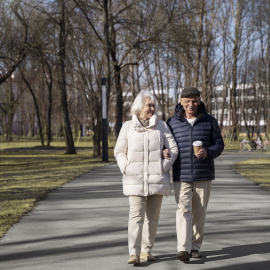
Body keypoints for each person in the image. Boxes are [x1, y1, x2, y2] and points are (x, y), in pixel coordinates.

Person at [114, 91, 179, 265]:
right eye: (149, 105)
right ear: (138, 107)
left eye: (153, 105)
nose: (152, 108)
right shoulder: (128, 127)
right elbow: (119, 151)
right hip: (134, 180)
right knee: (135, 217)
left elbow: (173, 149)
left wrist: (163, 165)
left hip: (156, 180)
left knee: (153, 218)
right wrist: (125, 167)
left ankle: (146, 251)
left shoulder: (162, 126)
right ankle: (133, 253)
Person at [166, 87, 224, 262]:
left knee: (199, 212)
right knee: (183, 210)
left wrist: (208, 152)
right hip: (181, 174)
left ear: (199, 100)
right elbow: (165, 145)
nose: (191, 104)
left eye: (194, 100)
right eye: (187, 100)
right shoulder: (172, 122)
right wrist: (164, 152)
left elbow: (219, 145)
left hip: (203, 174)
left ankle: (195, 247)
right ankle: (183, 248)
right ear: (181, 101)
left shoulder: (210, 121)